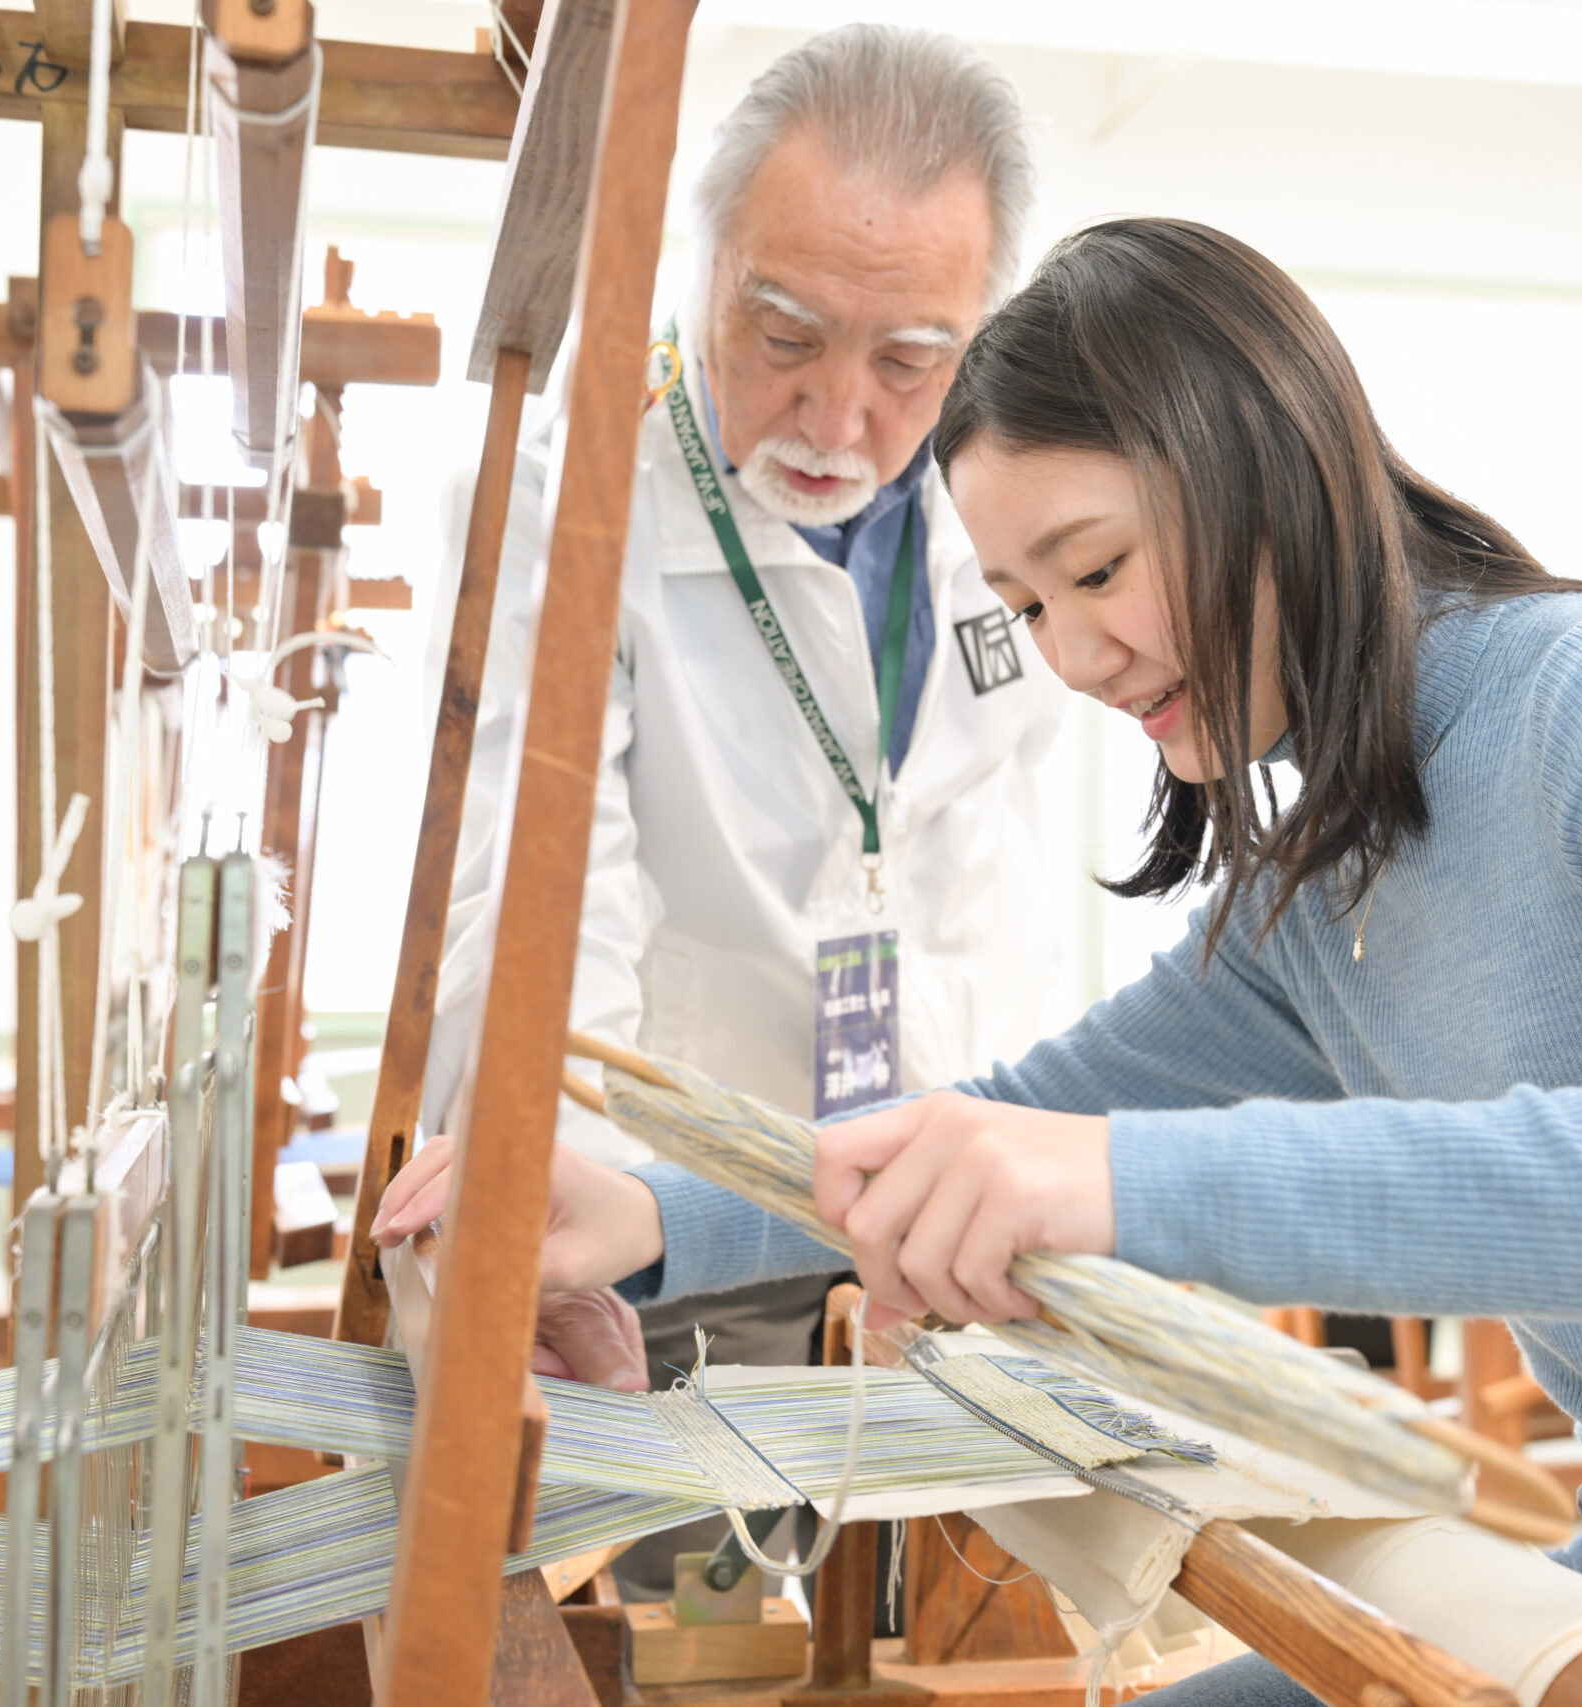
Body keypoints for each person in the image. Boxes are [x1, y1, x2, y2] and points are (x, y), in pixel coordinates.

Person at [385, 216, 1582, 1705]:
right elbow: (998, 1129)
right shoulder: (1314, 893)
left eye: (1099, 569)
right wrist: (651, 1210)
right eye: (1027, 605)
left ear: (1256, 458)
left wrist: (1120, 1184)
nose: (1076, 653)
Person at [415, 26, 1062, 1586]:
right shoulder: (579, 494)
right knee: (656, 1606)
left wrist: (984, 1203)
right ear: (700, 263)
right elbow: (544, 891)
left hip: (930, 1244)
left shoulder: (1017, 514)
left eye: (909, 358)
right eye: (782, 332)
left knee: (927, 1612)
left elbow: (984, 889)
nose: (838, 418)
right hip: (652, 1235)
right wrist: (544, 1235)